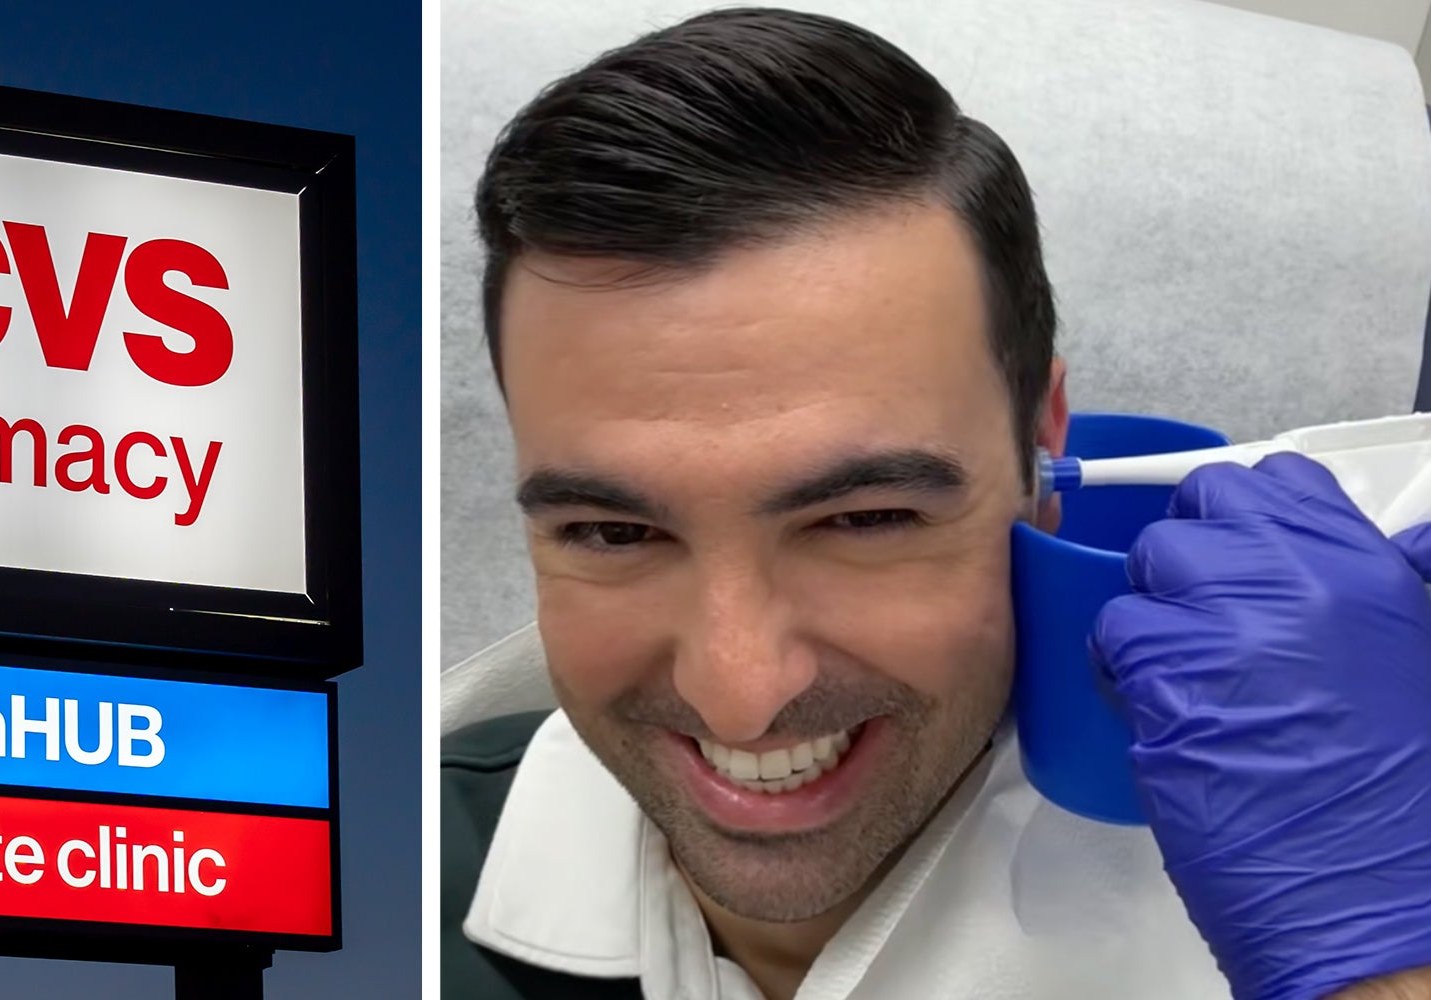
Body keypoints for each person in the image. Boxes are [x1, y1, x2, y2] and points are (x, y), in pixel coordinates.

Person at [440, 8, 1431, 1000]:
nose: (738, 694)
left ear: (1043, 443)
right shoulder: (400, 863)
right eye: (612, 531)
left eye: (865, 518)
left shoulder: (1324, 858)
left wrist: (1374, 966)